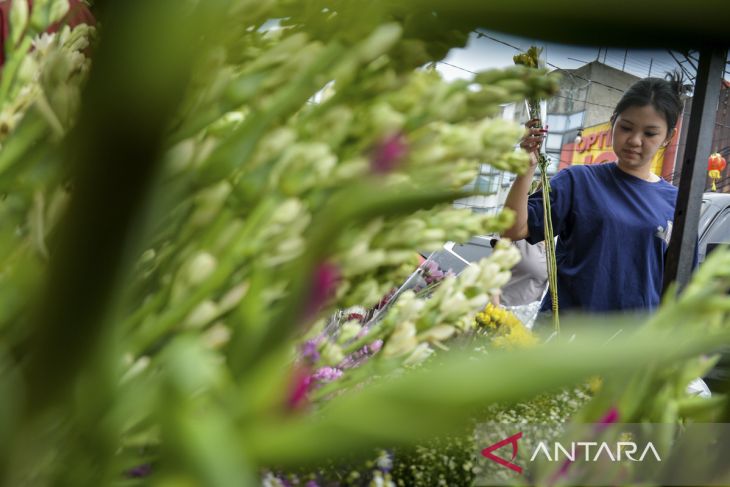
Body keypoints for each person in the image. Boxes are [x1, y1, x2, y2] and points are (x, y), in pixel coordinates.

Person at [502, 73, 690, 314]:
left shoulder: (678, 205)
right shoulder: (577, 181)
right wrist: (526, 168)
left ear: (668, 137)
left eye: (650, 133)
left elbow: (681, 290)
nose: (634, 140)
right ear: (613, 121)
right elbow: (513, 229)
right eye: (626, 127)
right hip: (564, 341)